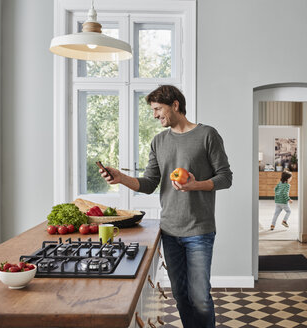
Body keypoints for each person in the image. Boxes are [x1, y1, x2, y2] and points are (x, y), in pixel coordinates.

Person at [99, 85, 233, 328]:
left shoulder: (207, 135)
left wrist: (197, 185)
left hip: (200, 231)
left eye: (158, 109)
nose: (155, 115)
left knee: (200, 298)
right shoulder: (159, 141)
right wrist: (120, 178)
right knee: (181, 296)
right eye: (153, 110)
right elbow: (149, 183)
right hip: (169, 231)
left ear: (175, 105)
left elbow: (226, 177)